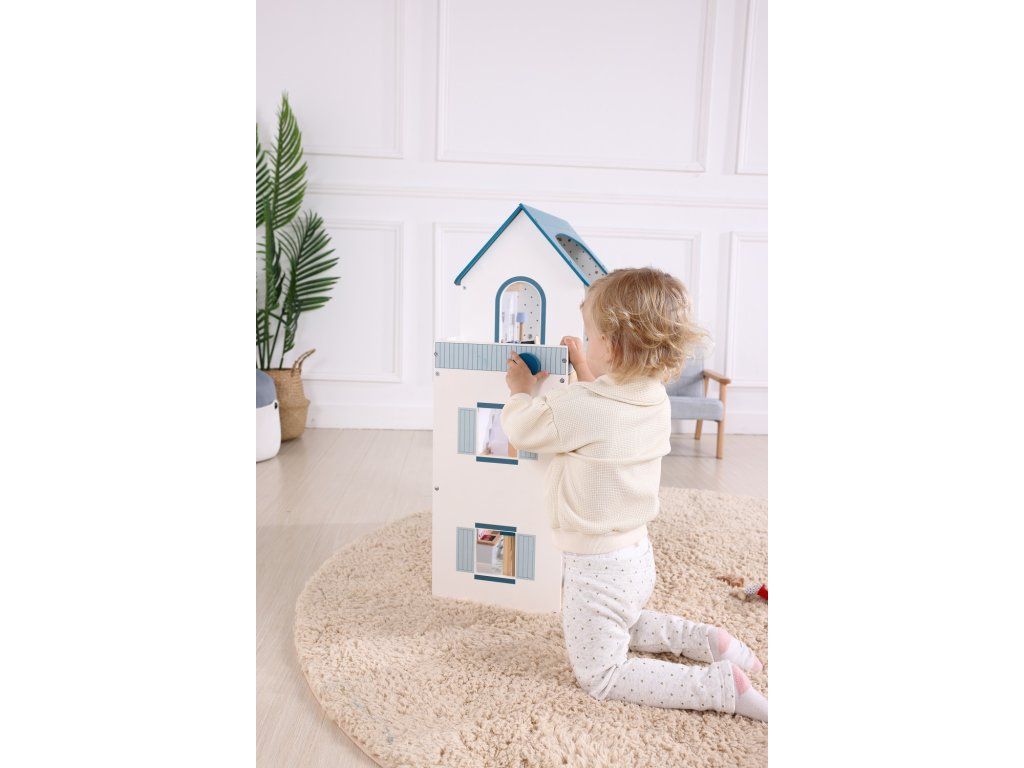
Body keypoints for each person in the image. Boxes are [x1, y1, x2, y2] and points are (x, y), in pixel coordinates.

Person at [500, 267, 767, 721]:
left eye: (590, 336)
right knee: (623, 620)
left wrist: (520, 392)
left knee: (601, 673)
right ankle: (709, 642)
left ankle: (719, 686)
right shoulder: (653, 398)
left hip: (596, 568)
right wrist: (584, 367)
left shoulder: (579, 407)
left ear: (612, 346)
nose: (586, 342)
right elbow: (603, 409)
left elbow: (523, 428)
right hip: (636, 557)